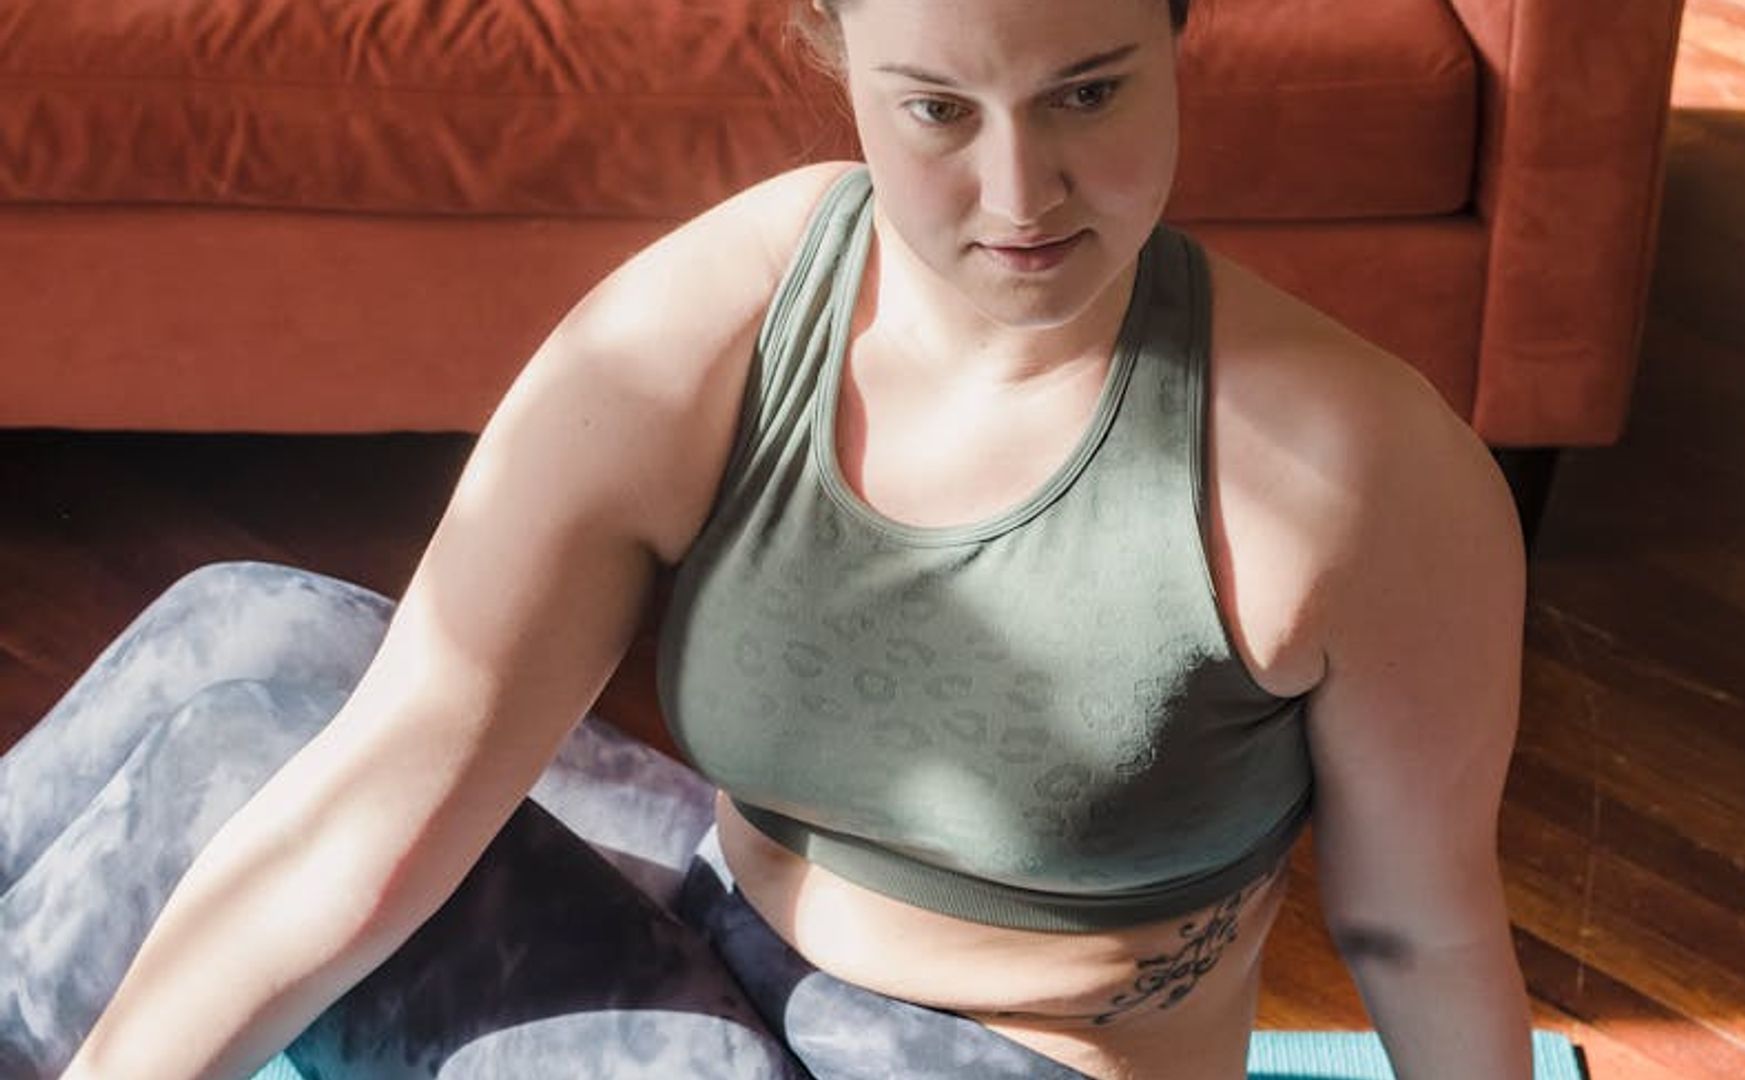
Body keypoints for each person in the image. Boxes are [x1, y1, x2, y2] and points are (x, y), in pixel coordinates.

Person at [0, 0, 1534, 1076]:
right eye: (939, 108)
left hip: (1006, 1068)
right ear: (837, 54)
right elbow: (396, 776)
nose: (1020, 193)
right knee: (254, 636)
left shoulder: (1366, 474)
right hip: (727, 939)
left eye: (1089, 91)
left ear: (1176, 47)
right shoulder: (734, 309)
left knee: (233, 763)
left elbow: (1416, 935)